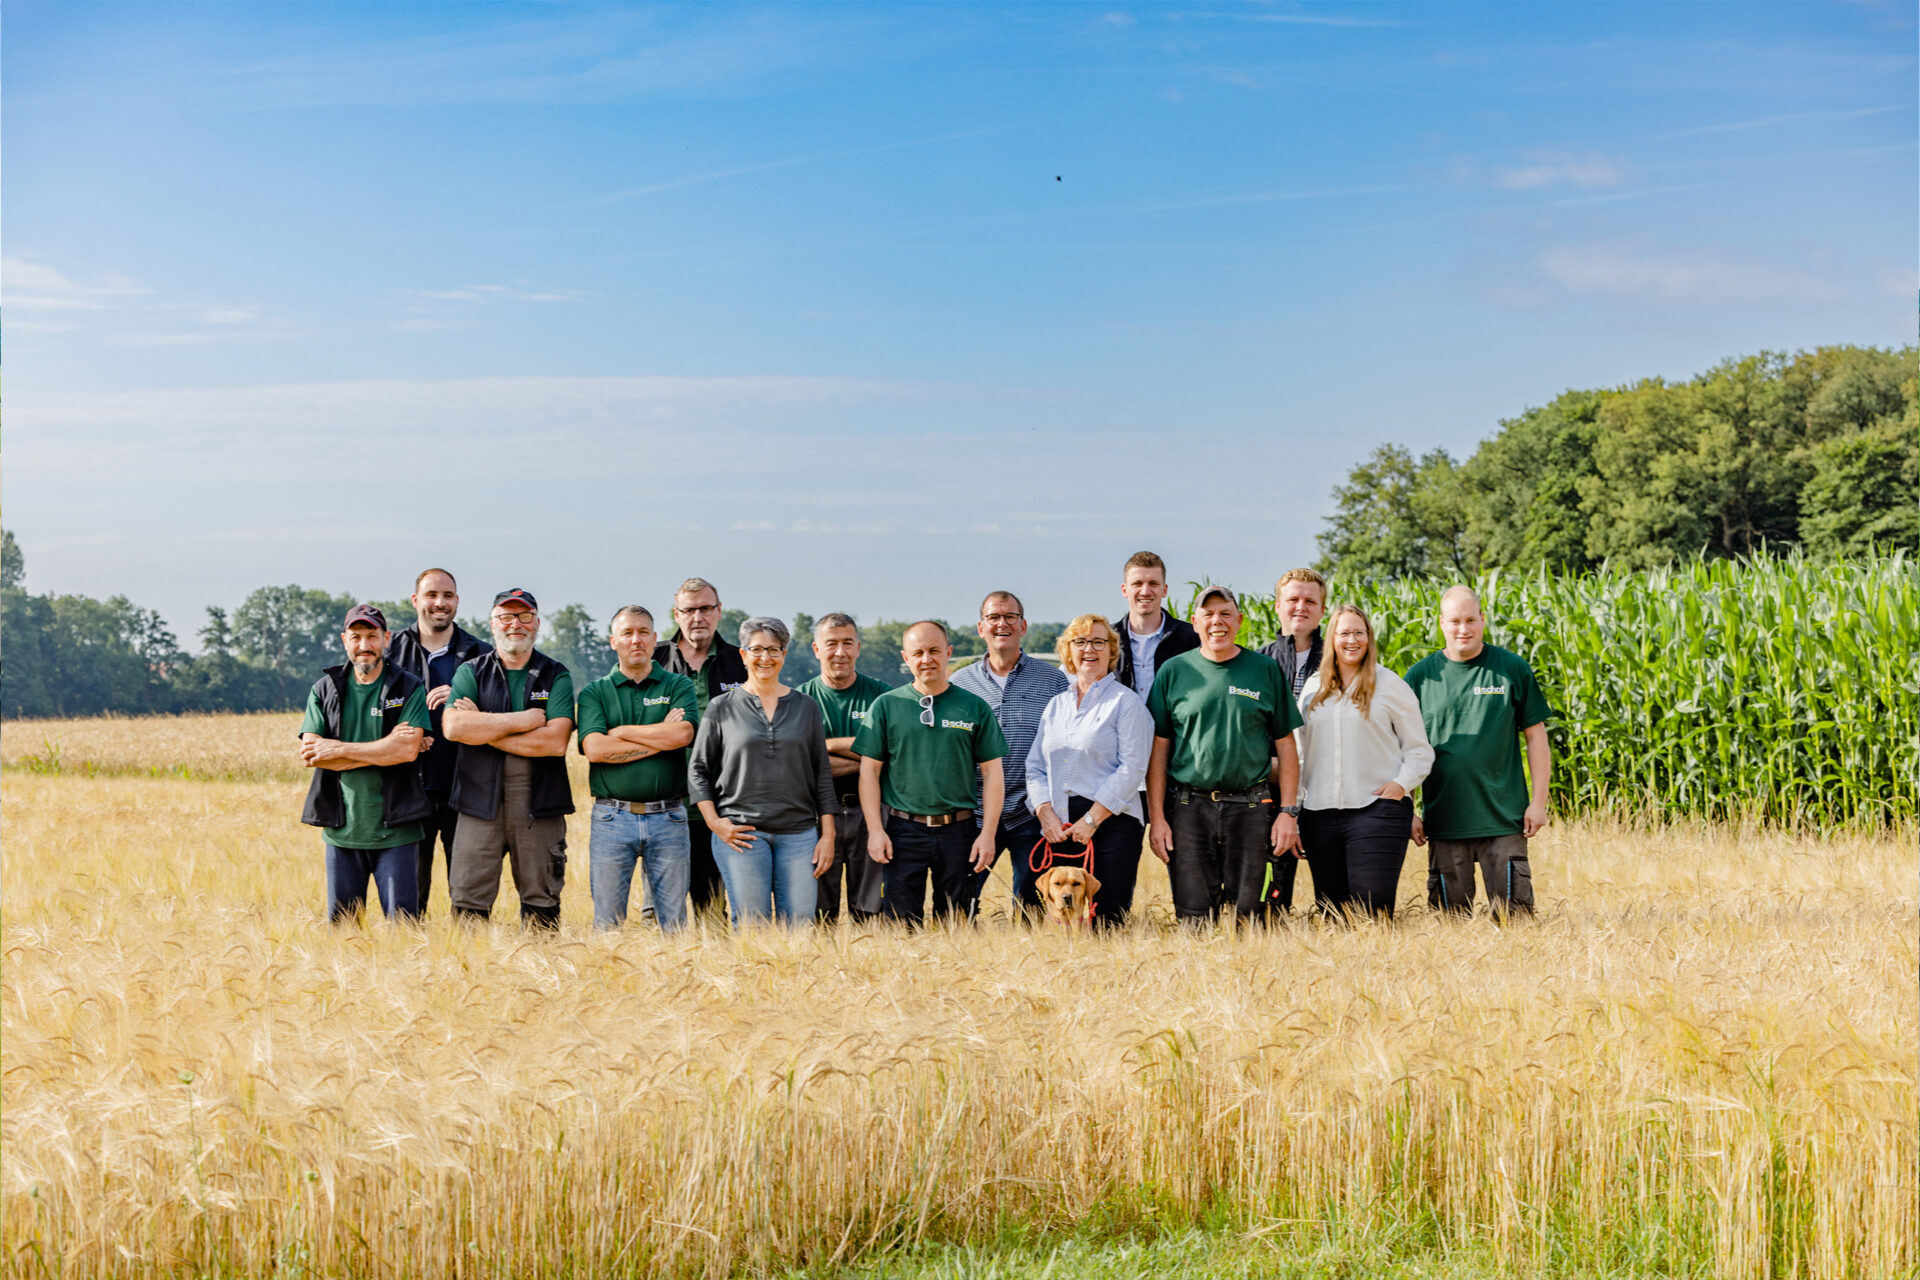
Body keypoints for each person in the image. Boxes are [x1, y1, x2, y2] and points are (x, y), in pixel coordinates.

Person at [1146, 586, 1305, 926]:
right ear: (1194, 623)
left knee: (1248, 918)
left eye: (1225, 614)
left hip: (1250, 808)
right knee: (1193, 918)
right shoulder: (1173, 673)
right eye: (1208, 614)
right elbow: (1158, 752)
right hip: (1189, 809)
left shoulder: (1264, 670)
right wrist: (1157, 818)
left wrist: (1289, 812)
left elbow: (1287, 747)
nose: (1217, 621)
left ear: (1239, 620)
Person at [1405, 585, 1553, 920]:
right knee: (1450, 927)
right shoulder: (1420, 677)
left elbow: (1536, 737)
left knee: (1516, 923)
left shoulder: (1511, 669)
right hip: (1444, 823)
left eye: (1471, 620)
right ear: (1441, 622)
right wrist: (1408, 809)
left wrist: (1539, 802)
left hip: (1504, 820)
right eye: (1455, 621)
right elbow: (1406, 748)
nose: (1463, 629)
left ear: (1483, 620)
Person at [853, 621, 1008, 926]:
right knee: (900, 925)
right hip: (902, 830)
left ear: (949, 652)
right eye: (918, 652)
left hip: (958, 831)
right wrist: (875, 830)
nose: (927, 659)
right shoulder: (886, 706)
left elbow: (993, 775)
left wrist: (987, 834)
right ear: (906, 658)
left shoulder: (973, 707)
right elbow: (869, 772)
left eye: (935, 651)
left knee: (957, 924)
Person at [689, 617, 838, 926]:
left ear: (784, 654)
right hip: (742, 835)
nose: (765, 658)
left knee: (799, 927)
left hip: (799, 835)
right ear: (743, 655)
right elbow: (698, 769)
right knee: (752, 927)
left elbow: (821, 773)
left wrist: (828, 834)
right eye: (756, 649)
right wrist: (715, 823)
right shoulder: (722, 707)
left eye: (774, 649)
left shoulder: (806, 707)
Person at [442, 589, 577, 928]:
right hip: (477, 802)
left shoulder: (555, 675)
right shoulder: (469, 673)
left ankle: (541, 972)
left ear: (537, 623)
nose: (515, 624)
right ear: (493, 624)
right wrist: (525, 720)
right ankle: (468, 974)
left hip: (539, 803)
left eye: (524, 616)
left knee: (541, 900)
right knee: (468, 901)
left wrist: (485, 729)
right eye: (506, 616)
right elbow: (455, 727)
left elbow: (555, 742)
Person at [1294, 604, 1434, 920]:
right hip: (1319, 814)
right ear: (1331, 638)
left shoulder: (1391, 684)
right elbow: (1300, 756)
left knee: (1373, 912)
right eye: (1344, 633)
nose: (1352, 640)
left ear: (1369, 638)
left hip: (1377, 809)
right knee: (1333, 915)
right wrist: (1295, 810)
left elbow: (1419, 750)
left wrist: (1401, 785)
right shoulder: (1313, 689)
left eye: (1360, 632)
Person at [297, 604, 433, 922]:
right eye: (356, 636)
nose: (364, 645)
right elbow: (313, 754)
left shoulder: (408, 687)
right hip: (343, 831)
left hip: (397, 830)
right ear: (344, 639)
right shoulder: (325, 689)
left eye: (372, 636)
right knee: (343, 934)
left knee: (403, 932)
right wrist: (384, 748)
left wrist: (337, 750)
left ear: (386, 638)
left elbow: (406, 752)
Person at [575, 605, 700, 931]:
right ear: (613, 641)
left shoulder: (678, 686)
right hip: (612, 818)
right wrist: (661, 736)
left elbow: (683, 734)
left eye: (643, 632)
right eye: (627, 633)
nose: (636, 640)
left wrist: (622, 732)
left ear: (655, 638)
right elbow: (596, 750)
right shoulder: (594, 692)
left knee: (673, 924)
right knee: (607, 923)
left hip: (669, 817)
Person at [1025, 614, 1153, 926]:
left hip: (1112, 821)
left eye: (1099, 642)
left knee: (1106, 918)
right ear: (1068, 651)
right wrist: (1044, 812)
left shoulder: (1126, 703)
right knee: (1061, 922)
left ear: (1111, 652)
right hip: (1059, 825)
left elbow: (1133, 768)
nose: (1089, 649)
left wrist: (1091, 820)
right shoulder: (1056, 705)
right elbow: (1035, 766)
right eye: (1080, 642)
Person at [950, 590, 1068, 914]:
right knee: (959, 904)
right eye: (993, 617)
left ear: (1023, 625)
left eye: (1010, 617)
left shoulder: (1053, 681)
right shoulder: (959, 685)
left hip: (1029, 811)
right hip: (973, 811)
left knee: (1032, 907)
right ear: (980, 627)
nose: (1002, 624)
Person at [385, 567, 492, 914]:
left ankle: (471, 963)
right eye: (431, 595)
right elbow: (371, 709)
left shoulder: (481, 655)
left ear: (457, 602)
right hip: (406, 790)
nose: (439, 603)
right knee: (407, 901)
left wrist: (465, 698)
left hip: (465, 790)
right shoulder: (390, 652)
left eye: (447, 596)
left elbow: (500, 715)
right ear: (416, 600)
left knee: (468, 898)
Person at [655, 577, 749, 918]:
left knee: (714, 906)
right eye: (689, 610)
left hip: (723, 803)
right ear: (676, 614)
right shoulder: (653, 659)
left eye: (706, 609)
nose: (698, 617)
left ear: (719, 611)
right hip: (663, 801)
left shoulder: (741, 661)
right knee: (661, 908)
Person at [797, 612, 891, 922]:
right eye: (831, 643)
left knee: (871, 913)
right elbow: (803, 766)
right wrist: (866, 755)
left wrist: (825, 745)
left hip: (872, 815)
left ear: (859, 647)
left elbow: (890, 754)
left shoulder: (881, 696)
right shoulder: (799, 700)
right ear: (816, 649)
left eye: (847, 643)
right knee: (819, 913)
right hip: (817, 814)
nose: (840, 652)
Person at [1111, 551, 1199, 699]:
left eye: (1153, 583)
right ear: (1124, 590)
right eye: (1137, 583)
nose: (1145, 591)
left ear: (1164, 590)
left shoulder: (1192, 638)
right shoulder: (1107, 640)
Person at [1259, 568, 1327, 696]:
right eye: (1293, 599)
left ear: (1322, 611)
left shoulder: (1338, 660)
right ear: (1277, 607)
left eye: (1310, 601)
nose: (1301, 607)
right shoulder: (1257, 663)